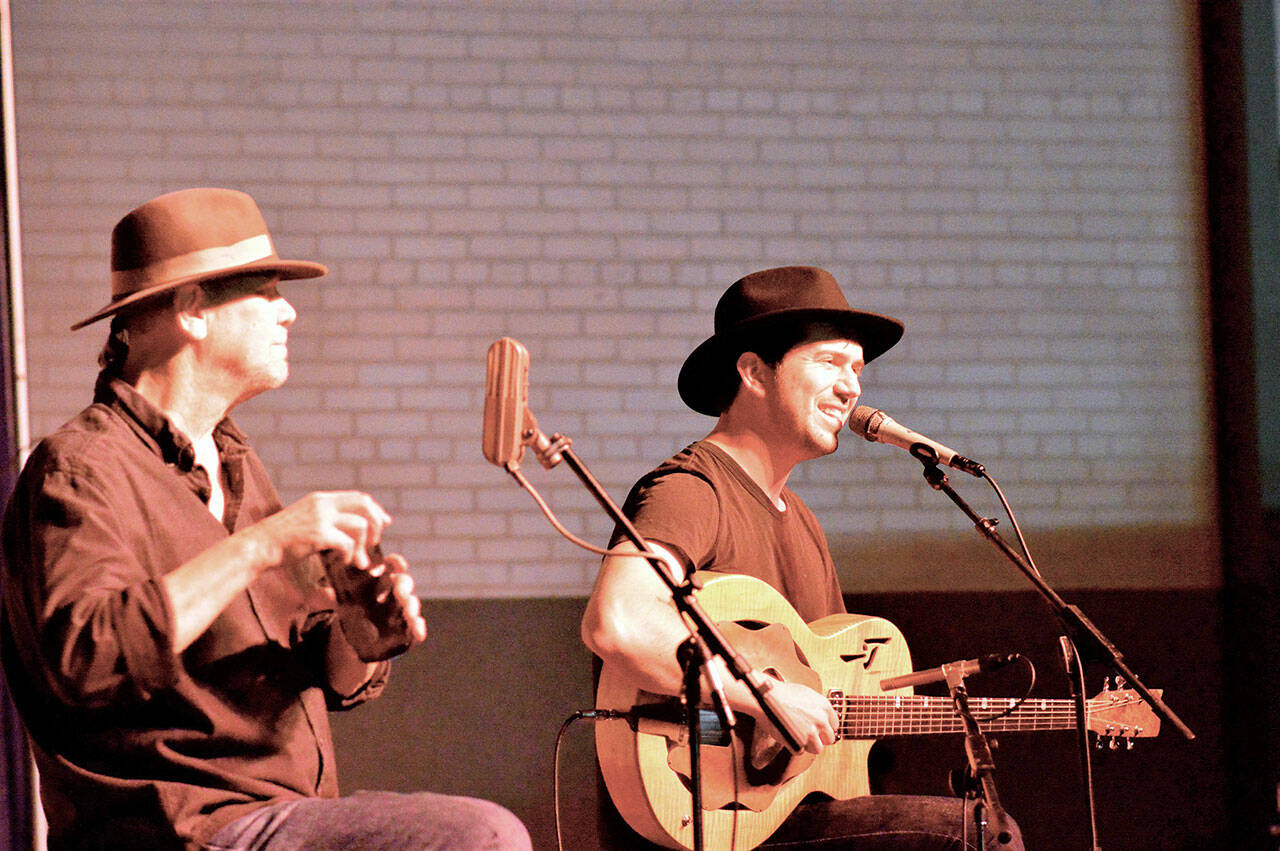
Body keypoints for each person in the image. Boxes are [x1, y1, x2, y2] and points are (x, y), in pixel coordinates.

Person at [1, 187, 532, 850]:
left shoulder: (234, 461)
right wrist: (261, 545)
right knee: (481, 834)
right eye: (266, 291)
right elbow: (87, 657)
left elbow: (311, 673)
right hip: (182, 827)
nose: (290, 313)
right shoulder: (81, 468)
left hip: (281, 811)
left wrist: (355, 634)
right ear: (193, 310)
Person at [581, 265, 1024, 849]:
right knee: (978, 834)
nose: (852, 388)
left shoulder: (803, 522)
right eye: (829, 362)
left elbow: (829, 696)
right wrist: (765, 694)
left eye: (858, 369)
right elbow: (618, 624)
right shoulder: (692, 489)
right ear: (753, 372)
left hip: (785, 808)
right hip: (711, 816)